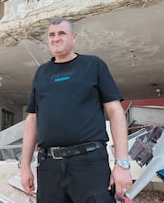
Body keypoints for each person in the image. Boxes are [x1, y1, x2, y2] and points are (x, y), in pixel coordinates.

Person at [21, 17, 132, 202]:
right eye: (52, 35)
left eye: (62, 33)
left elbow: (115, 112)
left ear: (74, 37)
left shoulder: (93, 65)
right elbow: (32, 120)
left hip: (90, 164)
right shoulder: (41, 73)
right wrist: (24, 166)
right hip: (49, 166)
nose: (56, 38)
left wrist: (122, 163)